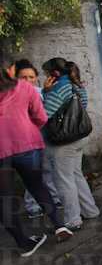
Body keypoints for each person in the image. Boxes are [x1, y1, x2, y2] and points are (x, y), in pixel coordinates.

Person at [0, 53, 73, 257]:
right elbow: (41, 117)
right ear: (10, 69)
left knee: (4, 200)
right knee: (37, 186)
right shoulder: (25, 88)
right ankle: (60, 226)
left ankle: (24, 243)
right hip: (27, 145)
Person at [42, 58, 100, 231]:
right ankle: (90, 211)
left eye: (46, 73)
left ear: (55, 74)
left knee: (64, 180)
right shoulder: (77, 85)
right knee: (76, 175)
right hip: (78, 137)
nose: (45, 77)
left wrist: (46, 91)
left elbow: (44, 113)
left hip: (63, 142)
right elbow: (81, 107)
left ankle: (73, 220)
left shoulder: (59, 87)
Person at [13, 59, 63, 218]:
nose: (28, 81)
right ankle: (32, 206)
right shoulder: (12, 95)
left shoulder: (40, 91)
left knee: (47, 169)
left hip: (43, 136)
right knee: (33, 173)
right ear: (15, 78)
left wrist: (46, 93)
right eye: (23, 77)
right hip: (26, 140)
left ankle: (53, 199)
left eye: (31, 77)